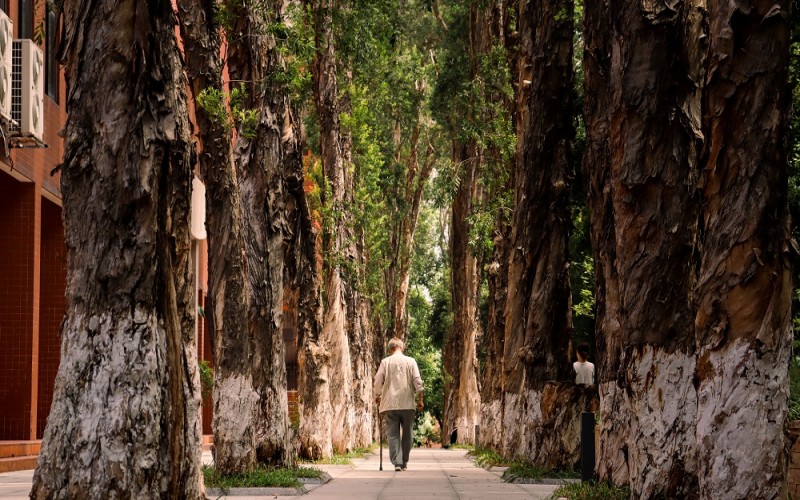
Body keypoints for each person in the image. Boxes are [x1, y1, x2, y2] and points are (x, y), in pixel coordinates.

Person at [373, 337, 424, 472]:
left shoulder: (386, 362)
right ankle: (404, 461)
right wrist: (420, 399)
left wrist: (377, 395)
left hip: (390, 404)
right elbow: (417, 381)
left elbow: (378, 380)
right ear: (402, 348)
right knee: (407, 433)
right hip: (407, 404)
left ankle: (397, 462)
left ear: (390, 349)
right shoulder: (411, 361)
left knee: (393, 434)